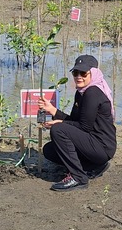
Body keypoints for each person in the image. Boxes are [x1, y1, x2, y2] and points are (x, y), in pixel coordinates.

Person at [38, 54, 116, 192]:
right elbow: (75, 122)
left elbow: (83, 127)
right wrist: (53, 110)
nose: (79, 76)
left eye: (83, 73)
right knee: (50, 150)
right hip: (92, 143)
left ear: (93, 73)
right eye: (75, 72)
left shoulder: (93, 92)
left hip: (101, 147)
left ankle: (78, 177)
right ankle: (93, 166)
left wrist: (59, 123)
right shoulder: (81, 92)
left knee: (58, 130)